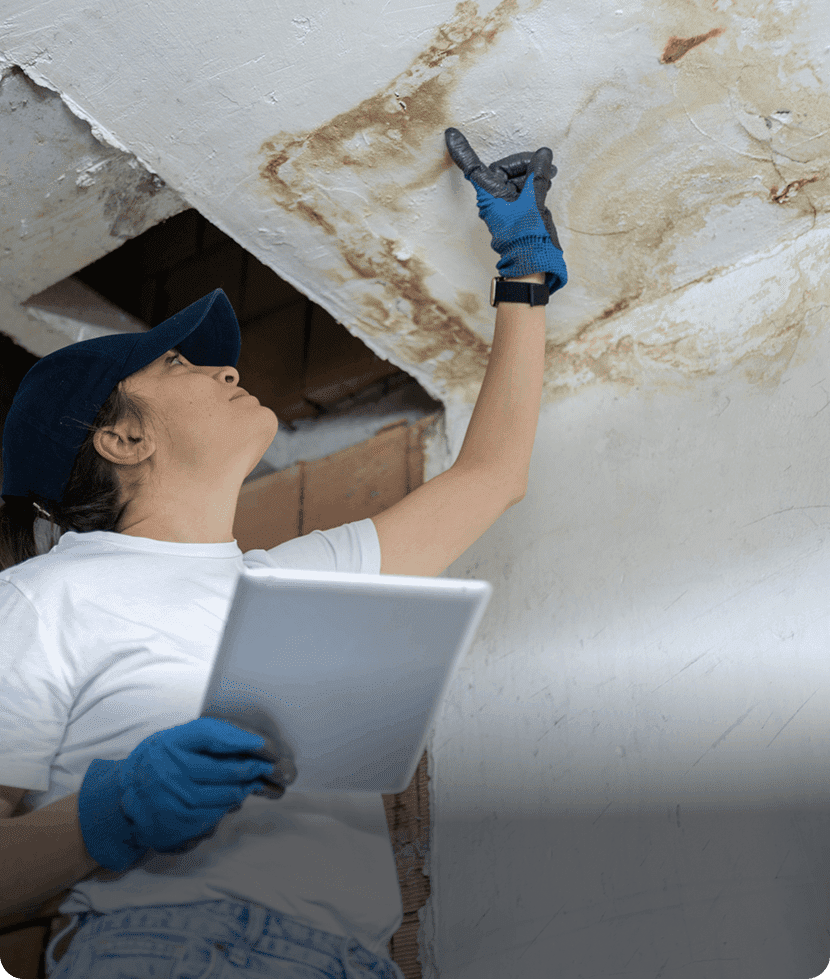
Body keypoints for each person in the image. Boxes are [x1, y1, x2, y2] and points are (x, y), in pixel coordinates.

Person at [0, 127, 567, 978]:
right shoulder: (44, 596)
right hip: (165, 947)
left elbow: (490, 477)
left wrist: (523, 271)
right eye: (181, 363)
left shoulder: (294, 587)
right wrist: (110, 810)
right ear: (120, 437)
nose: (226, 372)